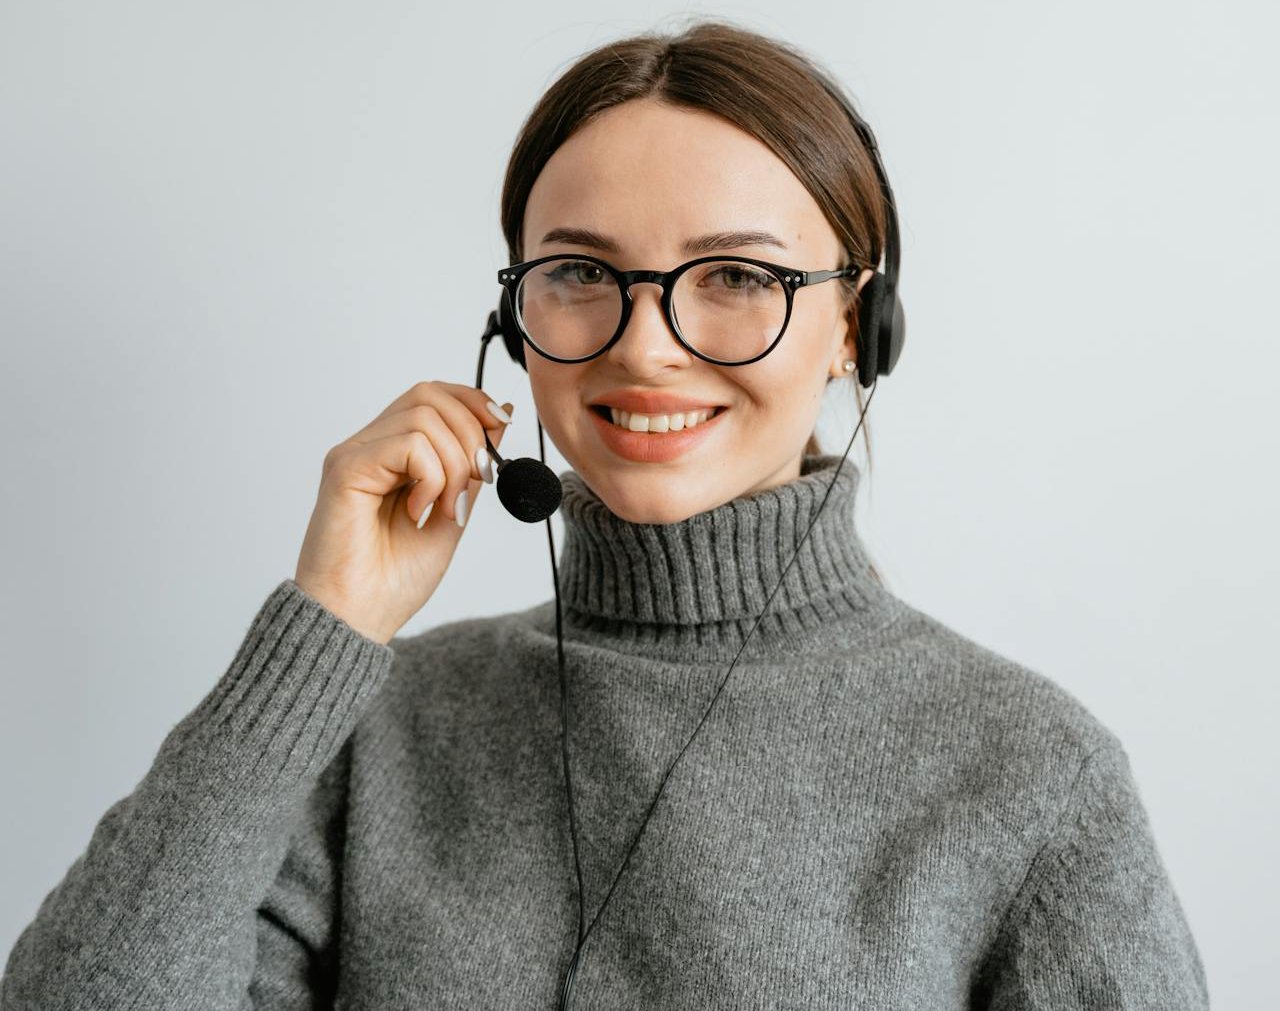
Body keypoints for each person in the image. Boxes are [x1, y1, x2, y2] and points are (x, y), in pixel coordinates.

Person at [1, 18, 1208, 1010]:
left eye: (736, 277)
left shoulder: (1025, 772)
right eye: (578, 274)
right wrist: (322, 632)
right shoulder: (376, 732)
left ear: (856, 327)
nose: (641, 348)